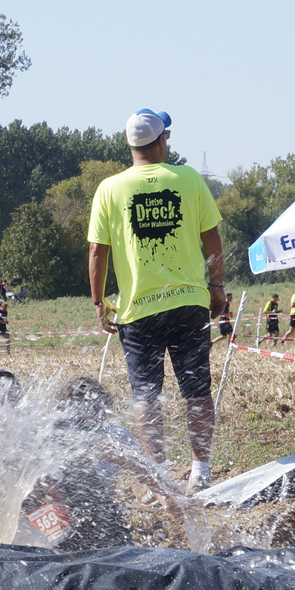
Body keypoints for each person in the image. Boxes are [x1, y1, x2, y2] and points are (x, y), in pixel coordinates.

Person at [87, 109, 226, 491]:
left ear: (130, 146)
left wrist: (99, 303)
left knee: (145, 396)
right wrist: (217, 288)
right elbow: (211, 237)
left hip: (138, 309)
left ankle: (161, 475)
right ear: (161, 140)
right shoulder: (188, 179)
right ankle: (201, 472)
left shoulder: (110, 189)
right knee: (196, 390)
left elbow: (97, 252)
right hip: (188, 302)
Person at [18, 376, 200, 550]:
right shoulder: (54, 437)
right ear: (68, 411)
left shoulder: (116, 436)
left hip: (101, 512)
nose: (90, 416)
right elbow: (26, 491)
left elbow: (147, 473)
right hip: (50, 517)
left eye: (95, 408)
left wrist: (171, 498)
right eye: (82, 409)